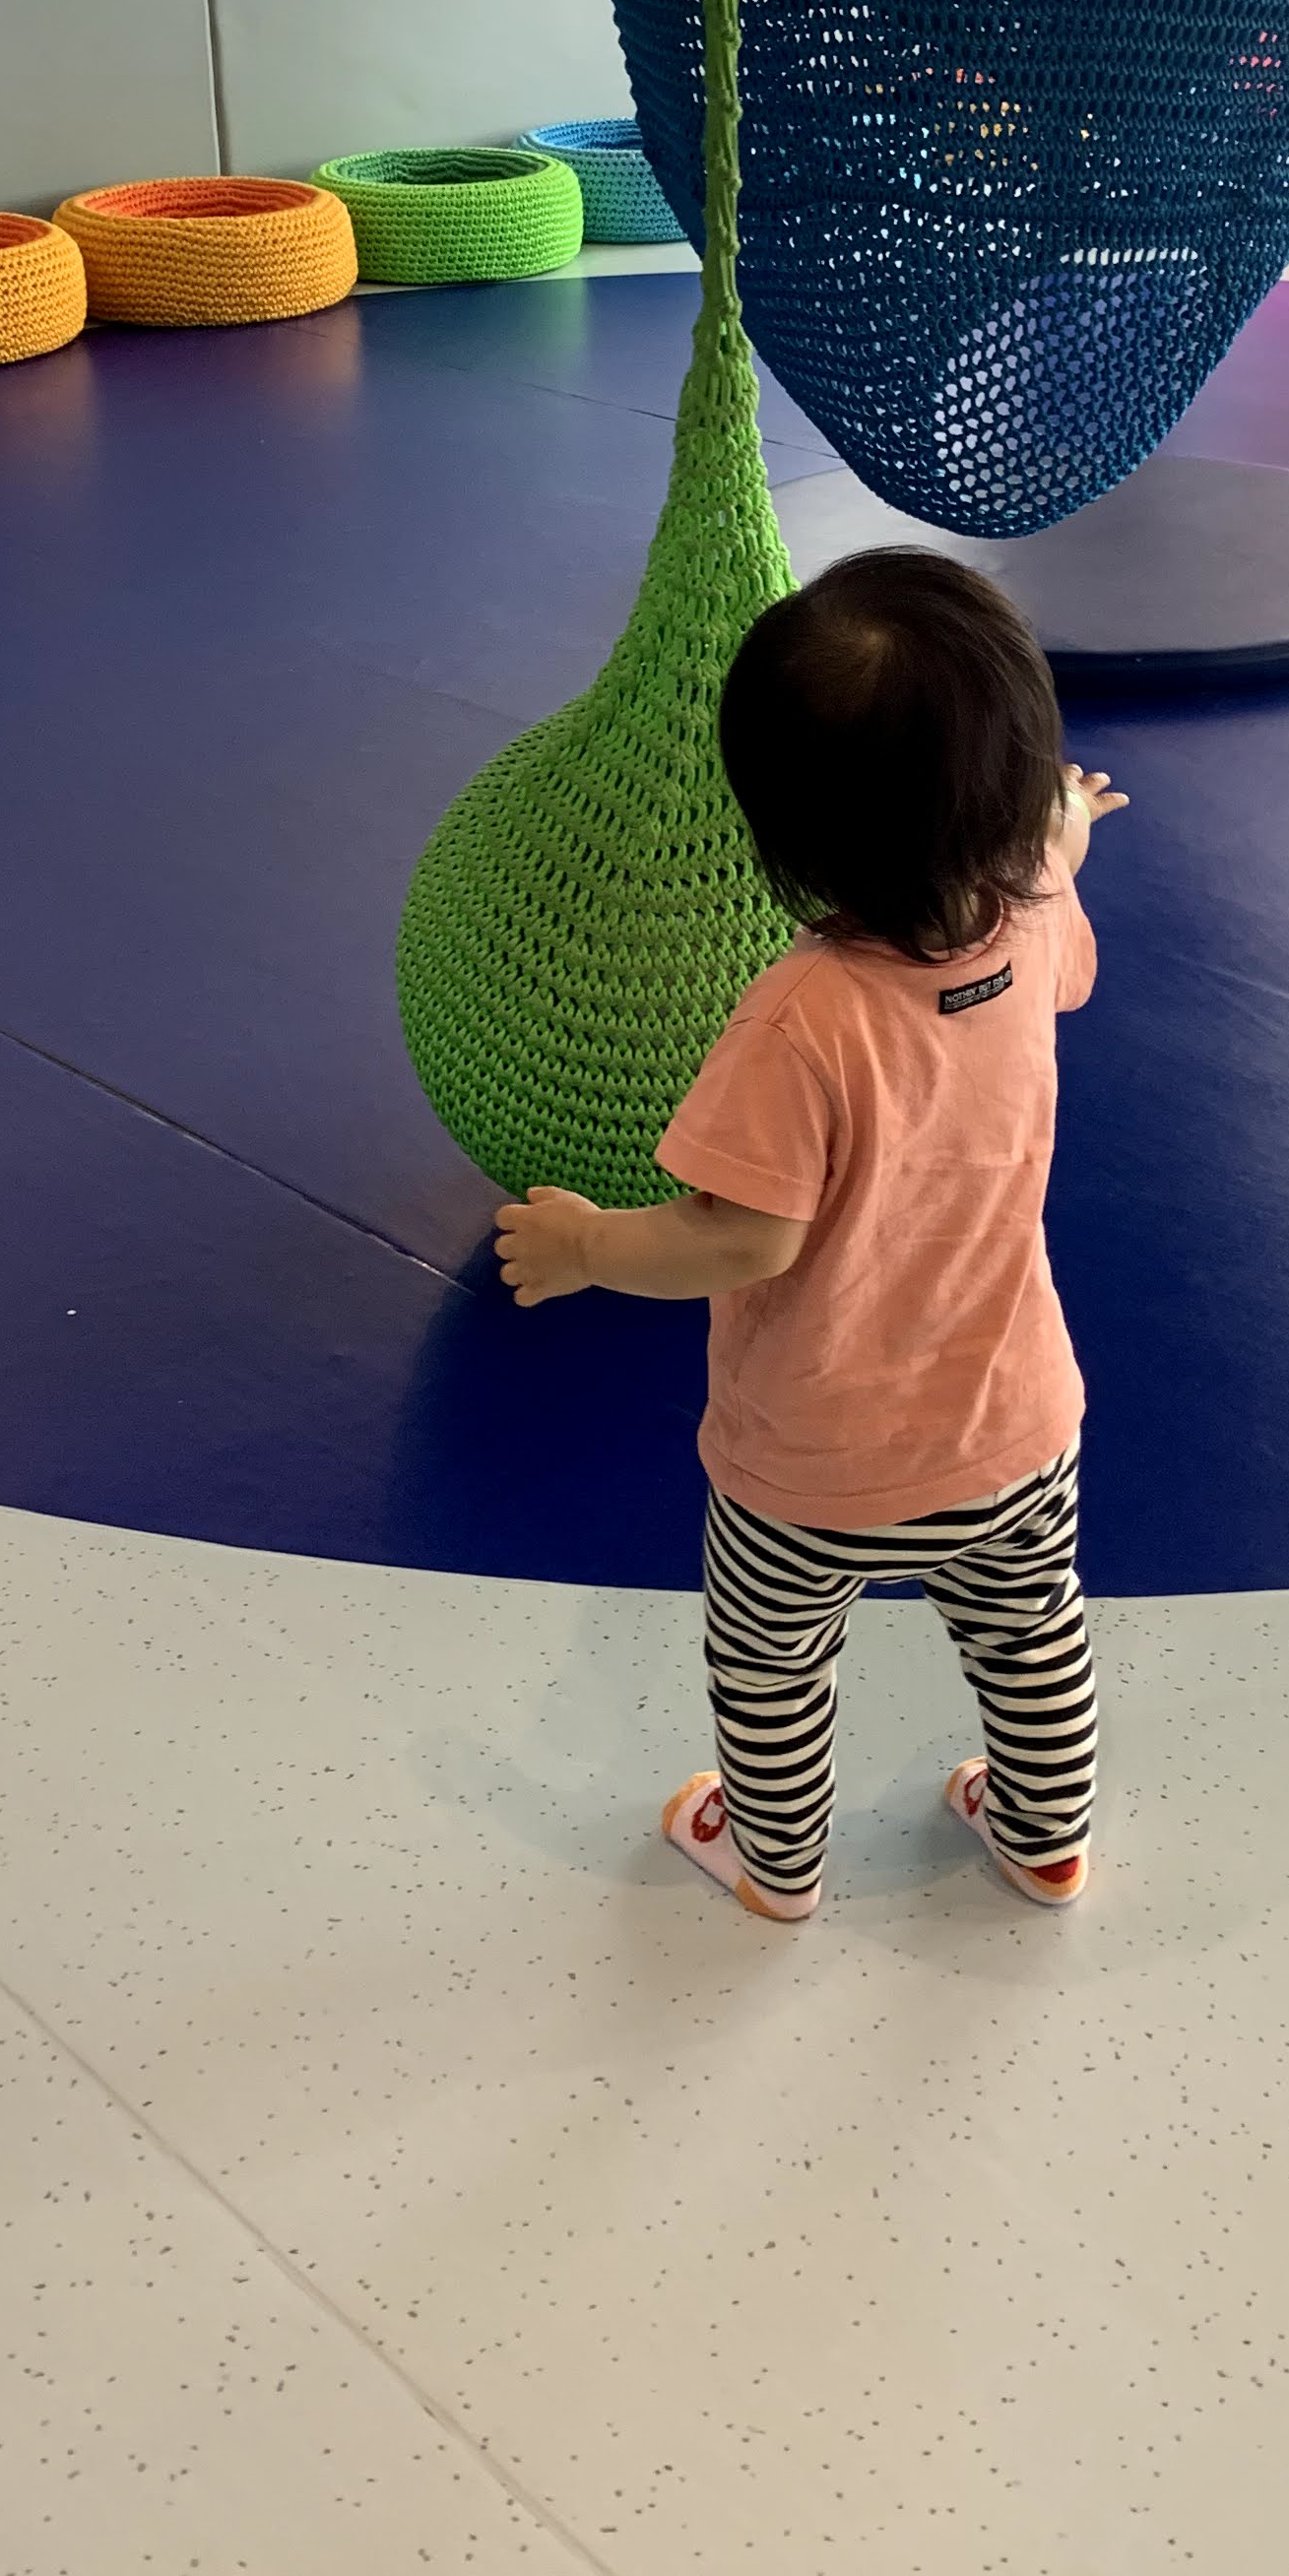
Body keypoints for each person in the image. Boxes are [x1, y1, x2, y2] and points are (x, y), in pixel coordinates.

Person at [493, 551, 1127, 1926]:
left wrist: (589, 1246)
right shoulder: (1028, 925)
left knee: (772, 1663)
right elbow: (1049, 862)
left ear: (786, 835)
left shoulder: (801, 1022)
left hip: (813, 1461)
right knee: (1032, 1634)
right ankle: (1046, 1840)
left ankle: (774, 1862)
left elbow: (741, 1240)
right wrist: (1067, 819)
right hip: (1013, 1421)